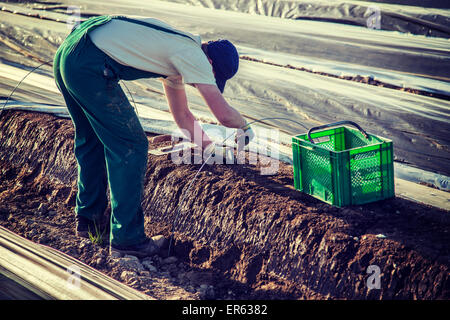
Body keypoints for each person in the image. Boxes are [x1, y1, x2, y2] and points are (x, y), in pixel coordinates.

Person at [53, 15, 254, 257]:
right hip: (89, 64)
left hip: (71, 51)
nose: (205, 82)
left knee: (93, 138)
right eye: (213, 77)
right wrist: (245, 127)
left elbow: (183, 117)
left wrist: (212, 150)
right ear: (210, 62)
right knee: (132, 145)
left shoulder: (179, 50)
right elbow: (223, 114)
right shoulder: (193, 56)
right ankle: (127, 238)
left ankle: (89, 221)